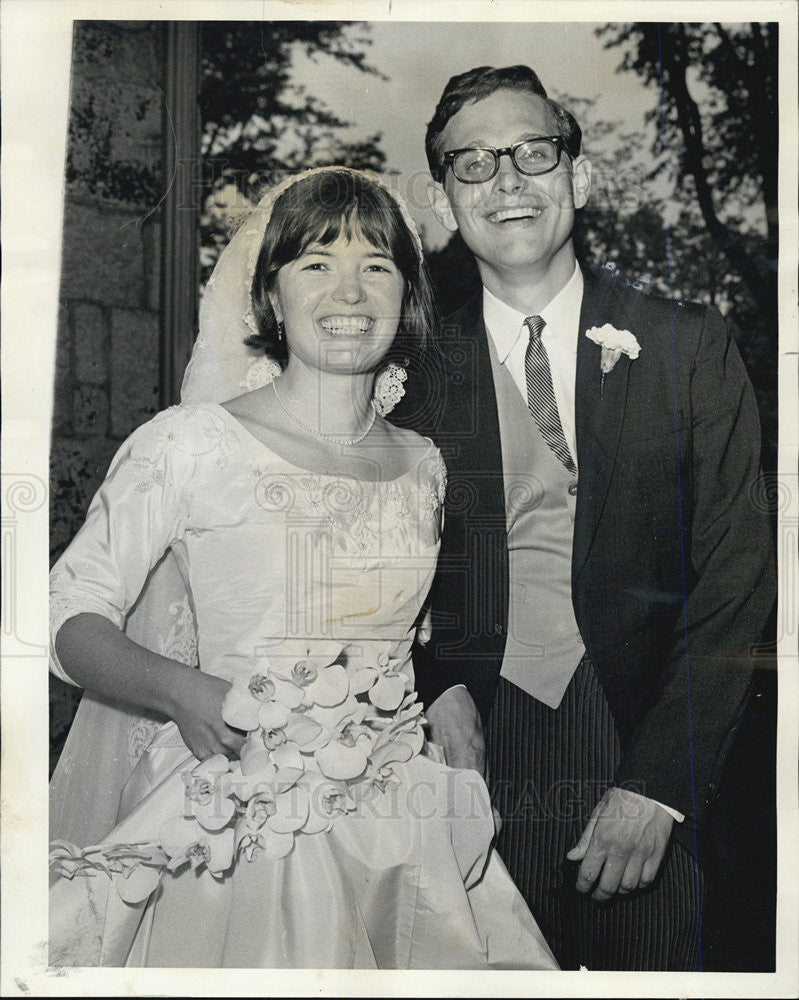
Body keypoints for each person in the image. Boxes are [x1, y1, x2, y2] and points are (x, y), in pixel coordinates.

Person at [47, 167, 558, 970]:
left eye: (375, 267)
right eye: (316, 264)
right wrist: (179, 691)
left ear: (407, 297)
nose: (348, 294)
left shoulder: (424, 463)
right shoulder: (189, 444)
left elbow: (399, 629)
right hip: (236, 819)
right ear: (269, 298)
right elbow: (67, 618)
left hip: (399, 822)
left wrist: (441, 690)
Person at [391, 66, 776, 970]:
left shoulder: (687, 345)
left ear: (579, 176)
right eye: (473, 165)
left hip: (644, 734)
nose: (508, 181)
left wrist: (658, 785)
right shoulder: (408, 374)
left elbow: (738, 577)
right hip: (469, 752)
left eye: (532, 151)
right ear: (442, 200)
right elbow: (373, 568)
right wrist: (434, 685)